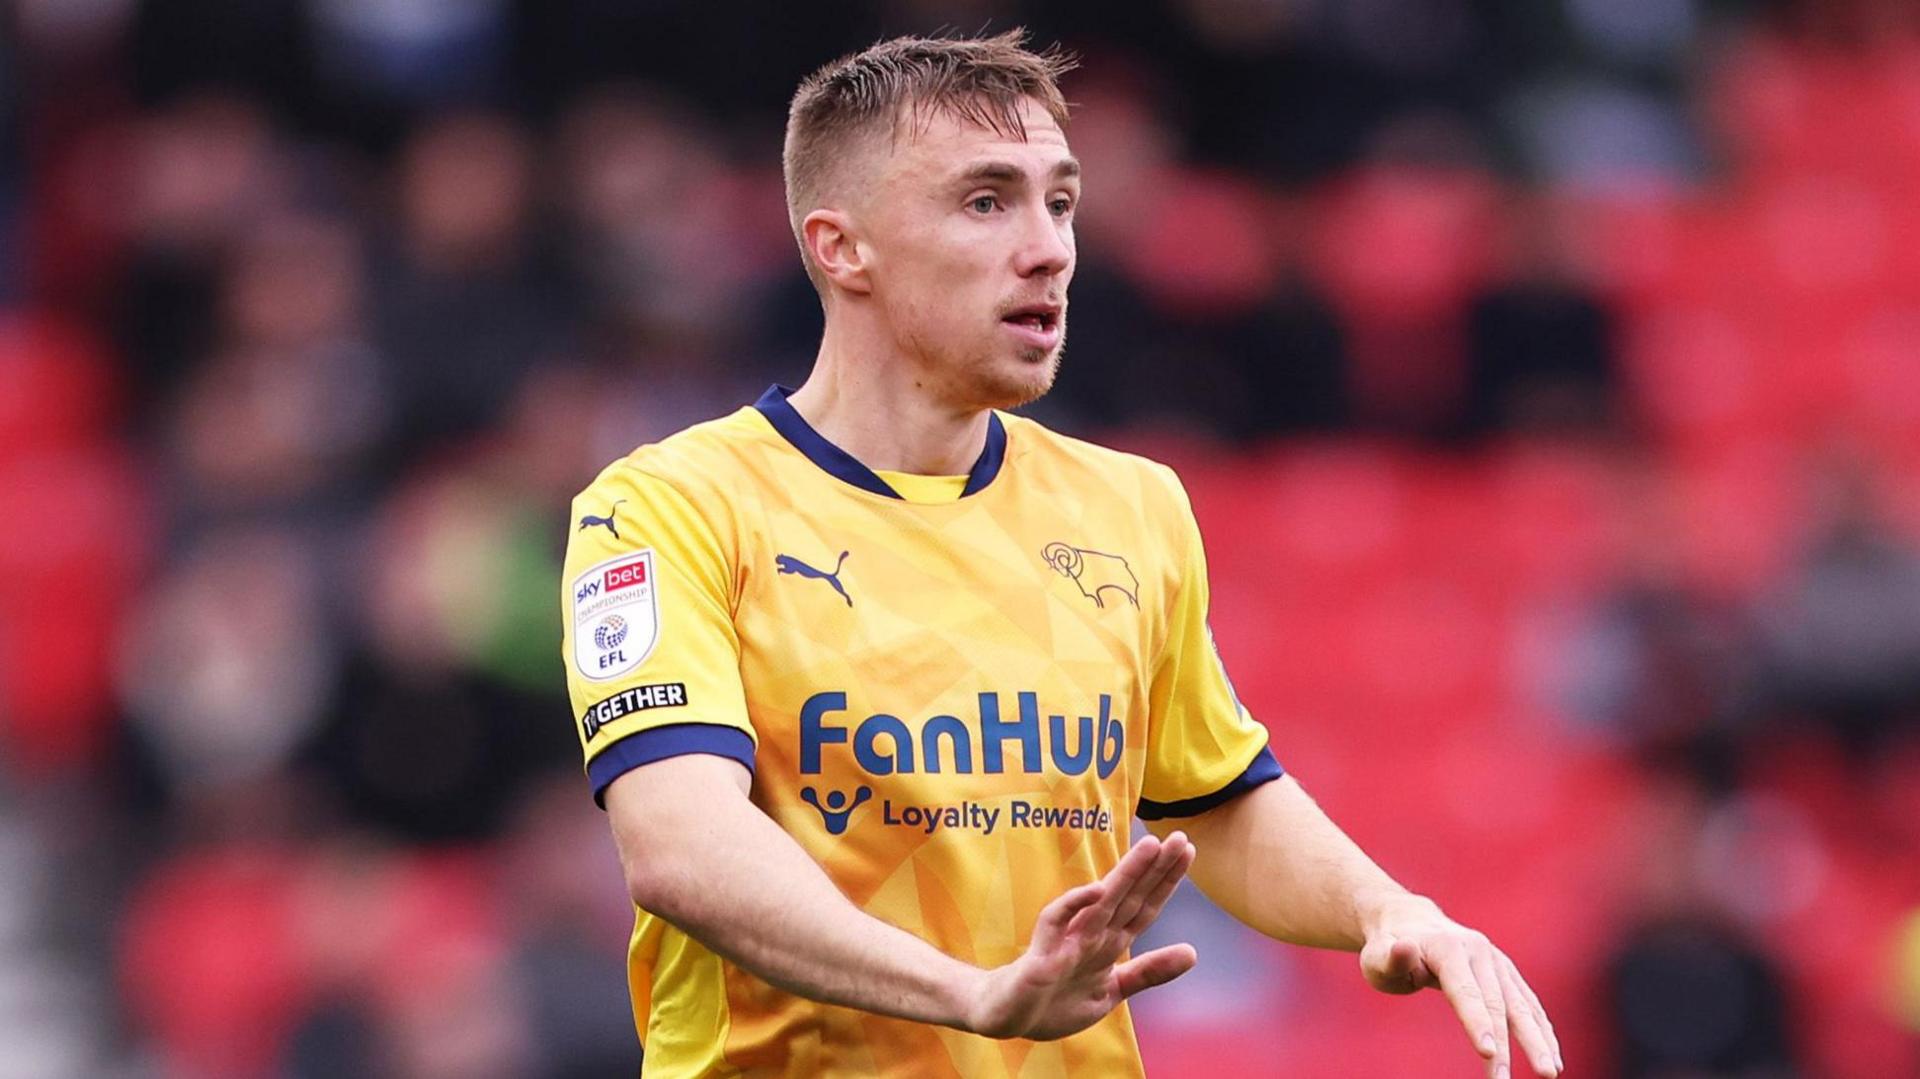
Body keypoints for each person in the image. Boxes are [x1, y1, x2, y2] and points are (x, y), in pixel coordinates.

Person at [560, 30, 1562, 1078]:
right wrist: (972, 995)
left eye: (1061, 201)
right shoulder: (666, 508)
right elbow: (677, 845)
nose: (1049, 248)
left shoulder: (1132, 506)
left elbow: (1213, 799)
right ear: (839, 246)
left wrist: (1386, 906)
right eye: (986, 201)